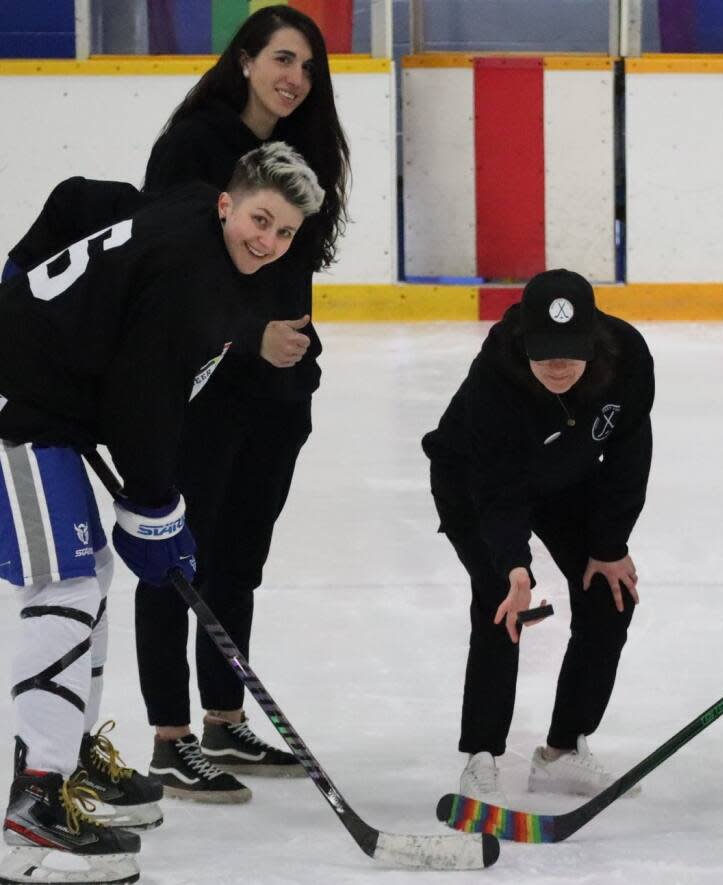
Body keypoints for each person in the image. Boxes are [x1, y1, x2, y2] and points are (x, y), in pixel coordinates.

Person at [0, 144, 322, 885]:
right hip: (16, 403)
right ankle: (36, 801)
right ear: (226, 204)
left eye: (283, 233)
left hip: (50, 408)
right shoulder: (191, 280)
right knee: (65, 587)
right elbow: (145, 405)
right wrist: (156, 507)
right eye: (258, 220)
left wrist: (157, 511)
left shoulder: (188, 220)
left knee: (90, 577)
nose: (266, 241)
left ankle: (70, 766)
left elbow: (84, 194)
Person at [133, 5, 350, 803]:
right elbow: (162, 265)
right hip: (202, 390)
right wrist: (249, 335)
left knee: (238, 561)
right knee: (174, 561)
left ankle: (224, 717)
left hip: (277, 393)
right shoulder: (195, 144)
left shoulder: (304, 150)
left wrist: (289, 361)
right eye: (282, 59)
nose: (295, 78)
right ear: (247, 58)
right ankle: (170, 738)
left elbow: (292, 268)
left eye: (308, 67)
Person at [422, 269, 653, 803]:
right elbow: (497, 492)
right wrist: (513, 565)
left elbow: (629, 451)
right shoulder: (495, 378)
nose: (557, 365)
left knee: (610, 597)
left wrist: (609, 546)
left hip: (566, 477)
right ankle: (482, 755)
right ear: (525, 338)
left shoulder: (628, 357)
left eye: (570, 351)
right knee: (501, 602)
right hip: (474, 483)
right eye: (545, 350)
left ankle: (563, 751)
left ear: (593, 338)